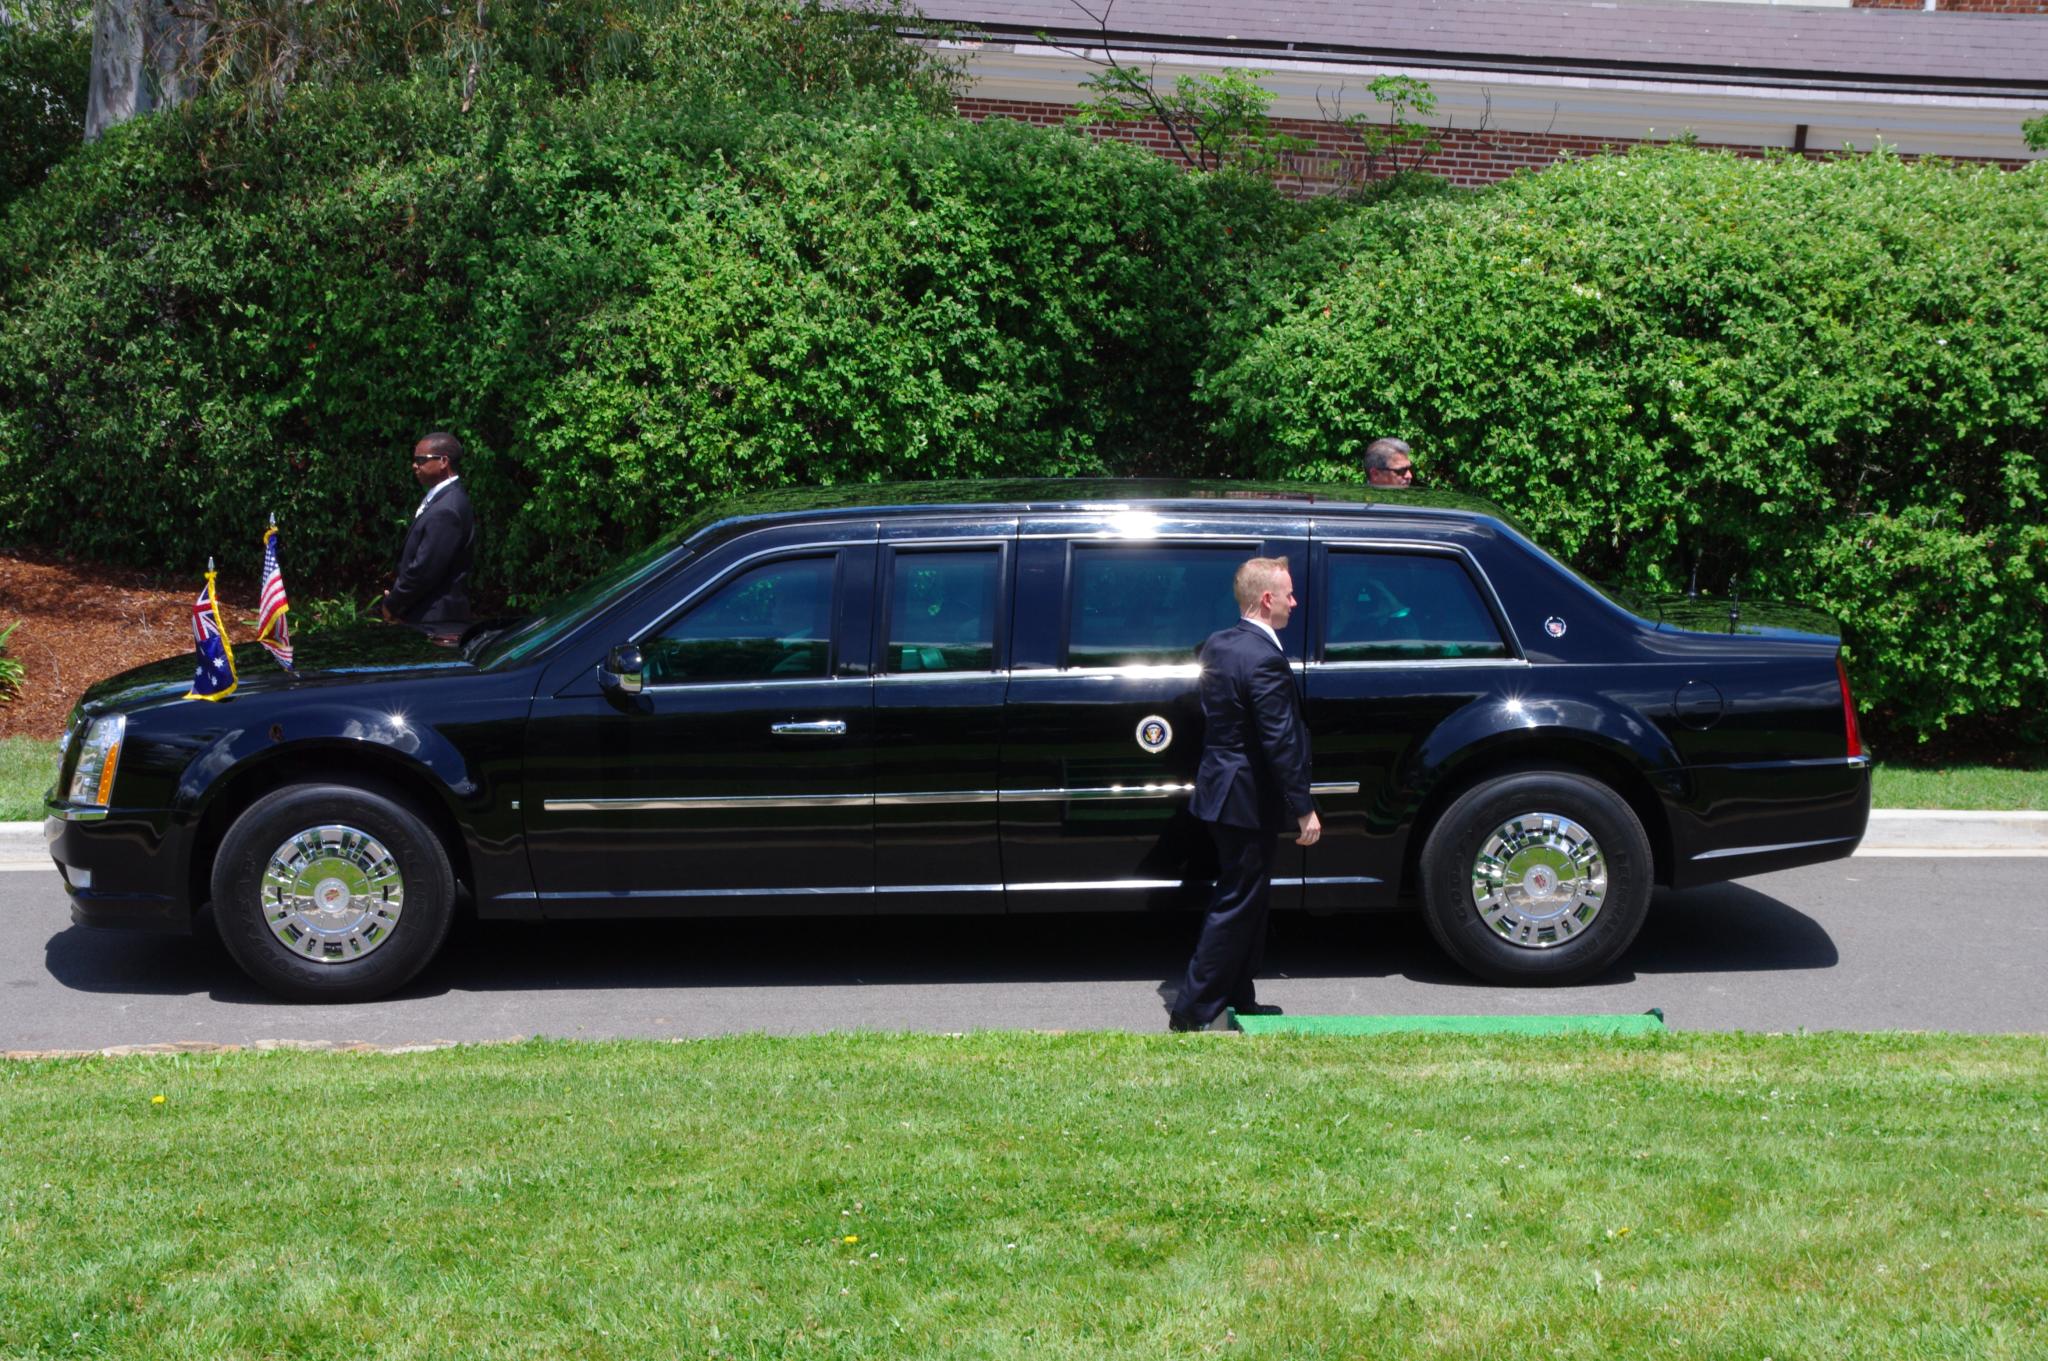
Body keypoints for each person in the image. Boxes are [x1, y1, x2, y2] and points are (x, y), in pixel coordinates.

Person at [1169, 556, 1321, 1032]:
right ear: (1268, 599)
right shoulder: (1265, 659)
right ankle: (1191, 1013)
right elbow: (1280, 740)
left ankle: (1240, 994)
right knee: (1236, 901)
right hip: (1246, 799)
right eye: (1290, 594)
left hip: (1222, 791)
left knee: (1250, 899)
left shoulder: (1218, 644)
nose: (1296, 602)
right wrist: (1304, 809)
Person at [378, 431, 475, 635]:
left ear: (443, 461)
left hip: (435, 620)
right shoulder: (445, 498)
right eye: (415, 460)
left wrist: (393, 603)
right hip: (429, 614)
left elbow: (424, 570)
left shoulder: (447, 509)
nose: (415, 465)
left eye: (421, 460)